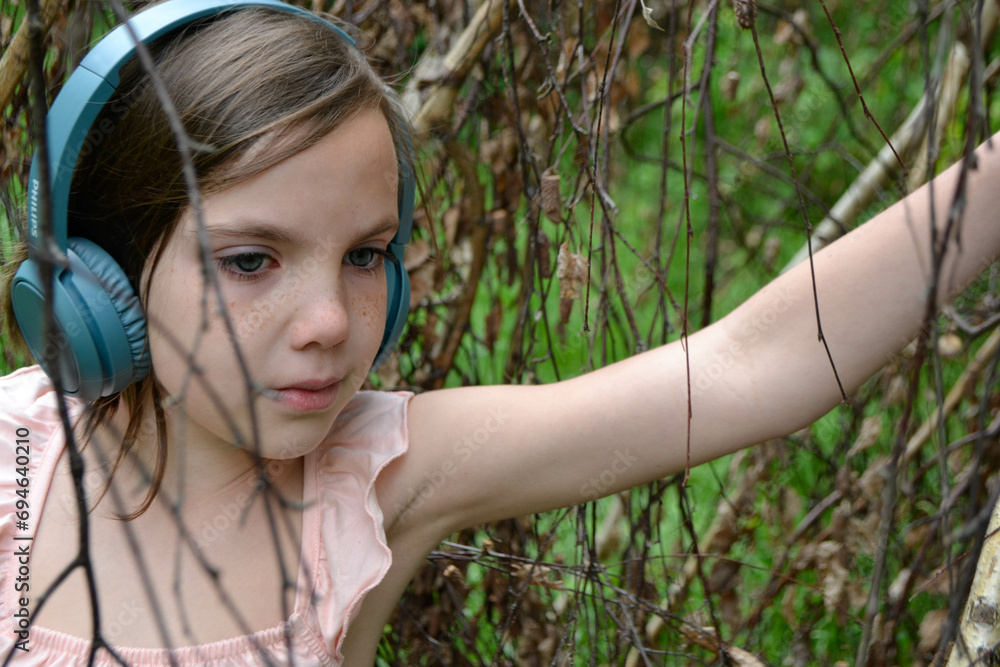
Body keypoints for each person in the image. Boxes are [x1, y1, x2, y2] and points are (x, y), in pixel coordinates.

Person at [0, 0, 998, 664]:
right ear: (98, 276)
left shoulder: (382, 476)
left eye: (366, 256)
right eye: (251, 260)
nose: (327, 323)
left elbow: (752, 362)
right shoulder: (12, 458)